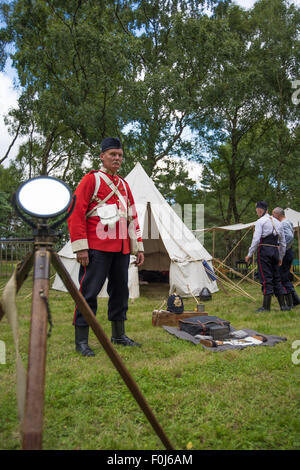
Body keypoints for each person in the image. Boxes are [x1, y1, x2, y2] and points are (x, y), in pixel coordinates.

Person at [68, 137, 144, 356]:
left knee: (120, 292)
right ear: (102, 156)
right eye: (113, 155)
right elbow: (75, 213)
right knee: (88, 293)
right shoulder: (91, 180)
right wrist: (81, 247)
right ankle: (81, 341)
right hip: (96, 248)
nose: (117, 159)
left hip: (121, 249)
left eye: (120, 155)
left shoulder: (124, 185)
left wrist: (137, 247)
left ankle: (118, 335)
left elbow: (132, 217)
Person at [245, 201, 288, 312]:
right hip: (276, 251)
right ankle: (283, 306)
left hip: (264, 250)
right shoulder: (278, 222)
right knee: (276, 278)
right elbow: (283, 242)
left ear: (260, 210)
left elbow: (256, 239)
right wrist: (281, 257)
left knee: (266, 278)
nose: (256, 212)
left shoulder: (260, 221)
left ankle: (266, 307)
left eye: (256, 210)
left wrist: (249, 254)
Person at [272, 207, 300, 309]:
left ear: (277, 214)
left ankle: (292, 302)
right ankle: (295, 300)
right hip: (287, 252)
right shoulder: (288, 222)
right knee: (284, 277)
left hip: (285, 253)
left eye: (273, 215)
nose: (273, 217)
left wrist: (281, 248)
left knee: (282, 277)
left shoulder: (284, 223)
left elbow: (289, 237)